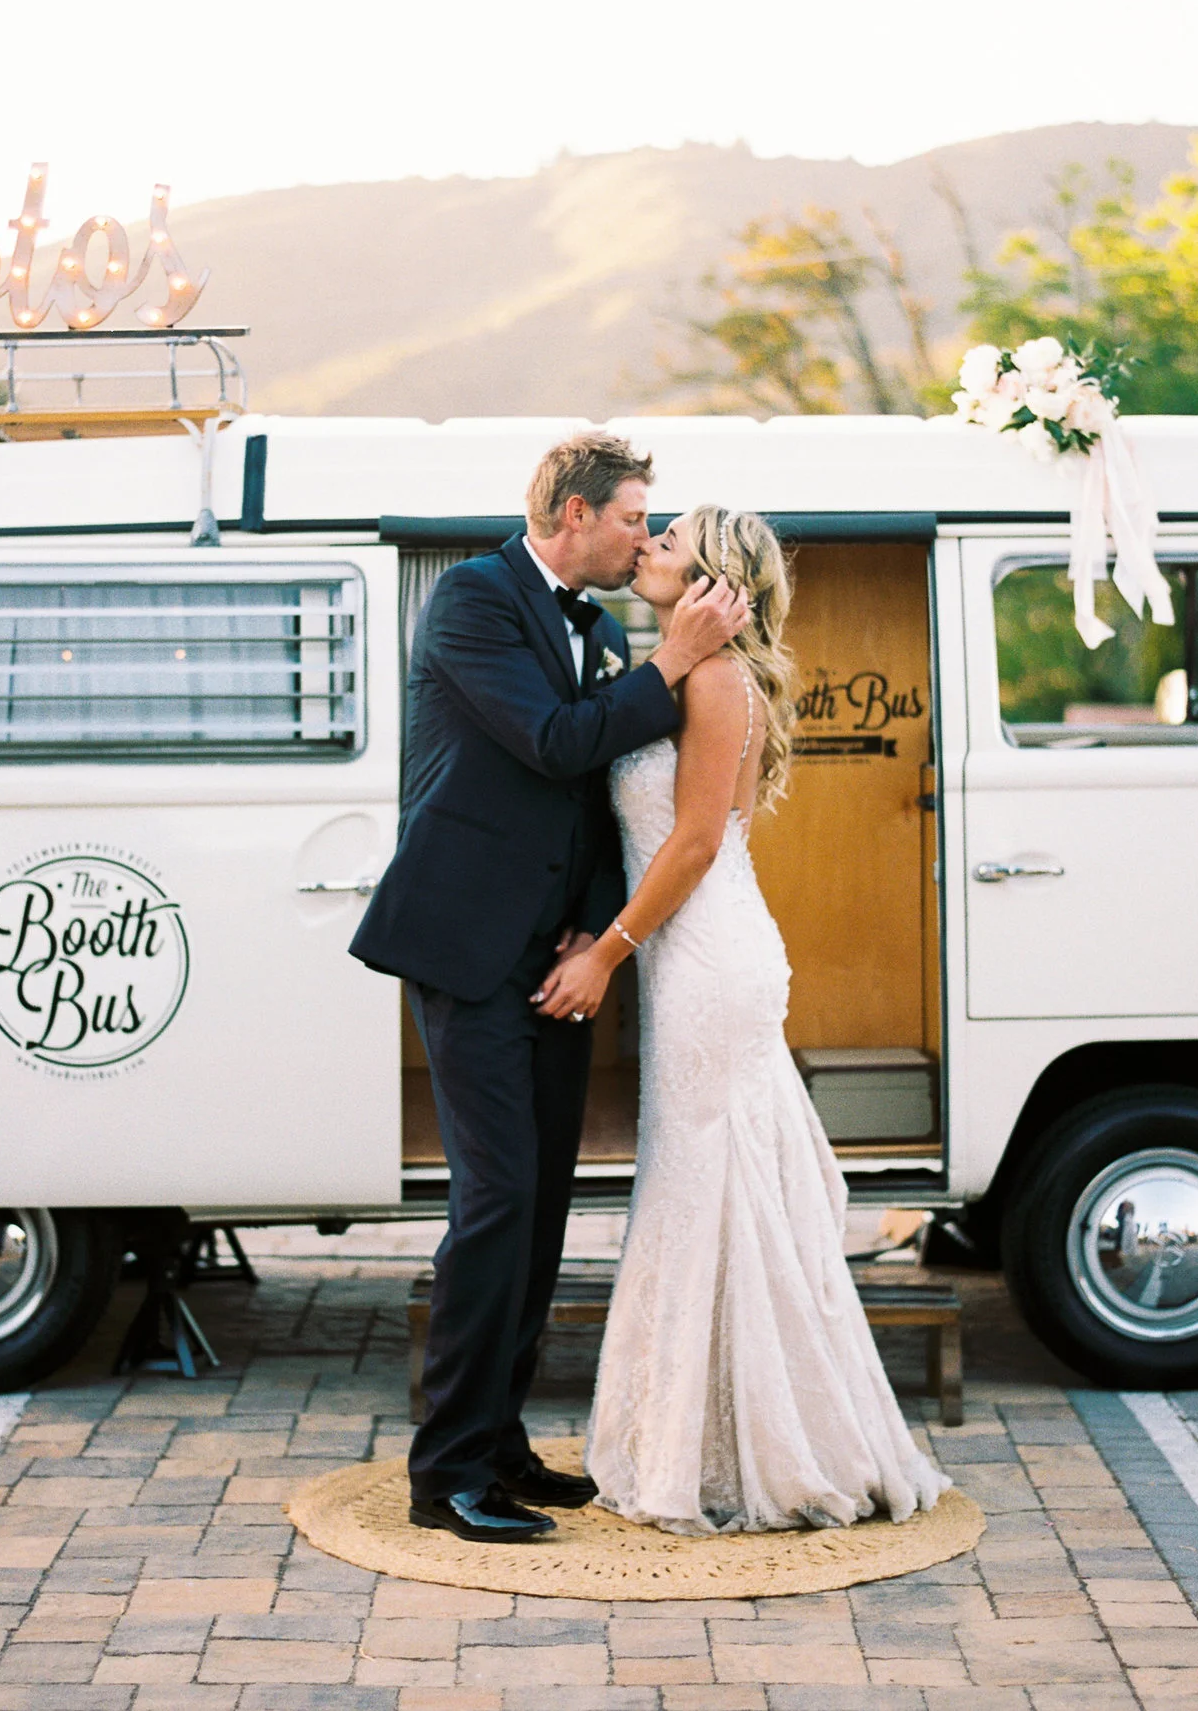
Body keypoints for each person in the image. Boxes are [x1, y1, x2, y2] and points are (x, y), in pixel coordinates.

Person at [350, 432, 750, 1544]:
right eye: (633, 516)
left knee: (540, 1208)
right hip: (468, 945)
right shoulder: (475, 601)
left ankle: (501, 1441)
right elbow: (551, 743)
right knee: (493, 1206)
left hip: (551, 955)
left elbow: (583, 805)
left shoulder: (593, 623)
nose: (643, 534)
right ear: (572, 514)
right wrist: (671, 663)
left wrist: (588, 920)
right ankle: (446, 1475)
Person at [534, 506, 952, 1534]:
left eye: (667, 545)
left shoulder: (716, 680)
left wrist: (603, 953)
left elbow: (689, 848)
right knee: (694, 1188)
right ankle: (704, 1439)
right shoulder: (685, 669)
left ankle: (749, 1450)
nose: (648, 551)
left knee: (705, 1188)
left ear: (715, 581)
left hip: (707, 956)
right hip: (685, 952)